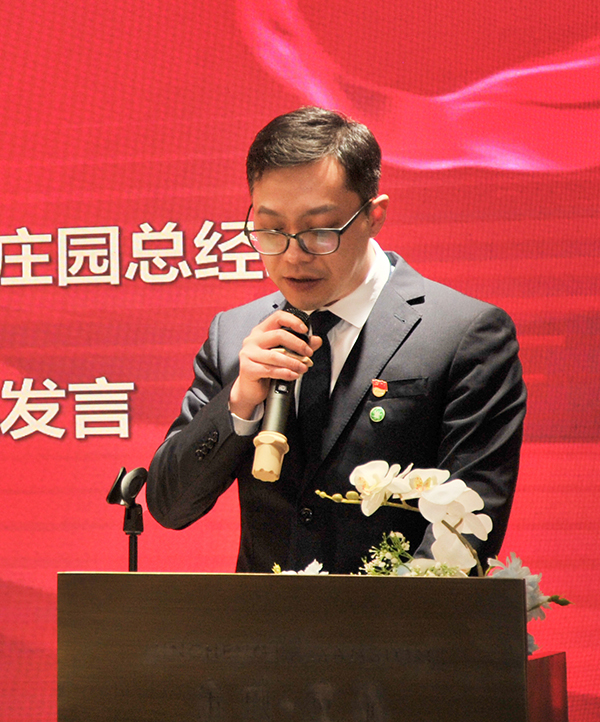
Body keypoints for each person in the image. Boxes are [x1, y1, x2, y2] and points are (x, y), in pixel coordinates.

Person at [146, 106, 526, 574]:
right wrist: (240, 401)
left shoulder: (464, 334)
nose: (293, 256)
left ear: (374, 215)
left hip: (399, 618)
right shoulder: (234, 335)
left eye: (319, 231)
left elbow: (466, 528)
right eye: (271, 230)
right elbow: (169, 505)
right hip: (263, 621)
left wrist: (375, 619)